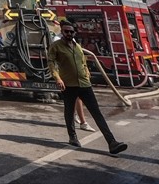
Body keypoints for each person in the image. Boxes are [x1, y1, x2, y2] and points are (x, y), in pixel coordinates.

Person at [47, 20, 128, 155]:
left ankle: (112, 142)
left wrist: (87, 73)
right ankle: (73, 137)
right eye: (66, 31)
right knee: (69, 112)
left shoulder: (77, 46)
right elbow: (51, 63)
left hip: (85, 84)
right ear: (62, 31)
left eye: (71, 32)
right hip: (69, 85)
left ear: (74, 33)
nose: (69, 34)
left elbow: (83, 62)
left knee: (97, 113)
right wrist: (57, 78)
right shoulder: (56, 47)